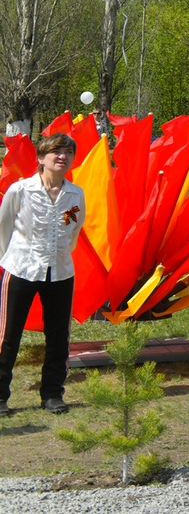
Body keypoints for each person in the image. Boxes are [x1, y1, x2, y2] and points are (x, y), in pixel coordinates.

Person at [0, 135, 87, 414]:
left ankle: (52, 394)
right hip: (22, 269)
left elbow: (74, 230)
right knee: (8, 335)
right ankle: (0, 395)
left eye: (68, 153)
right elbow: (3, 229)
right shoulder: (20, 191)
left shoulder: (76, 195)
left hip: (60, 273)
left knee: (59, 336)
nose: (62, 157)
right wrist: (8, 260)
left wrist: (58, 255)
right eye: (56, 152)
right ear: (41, 158)